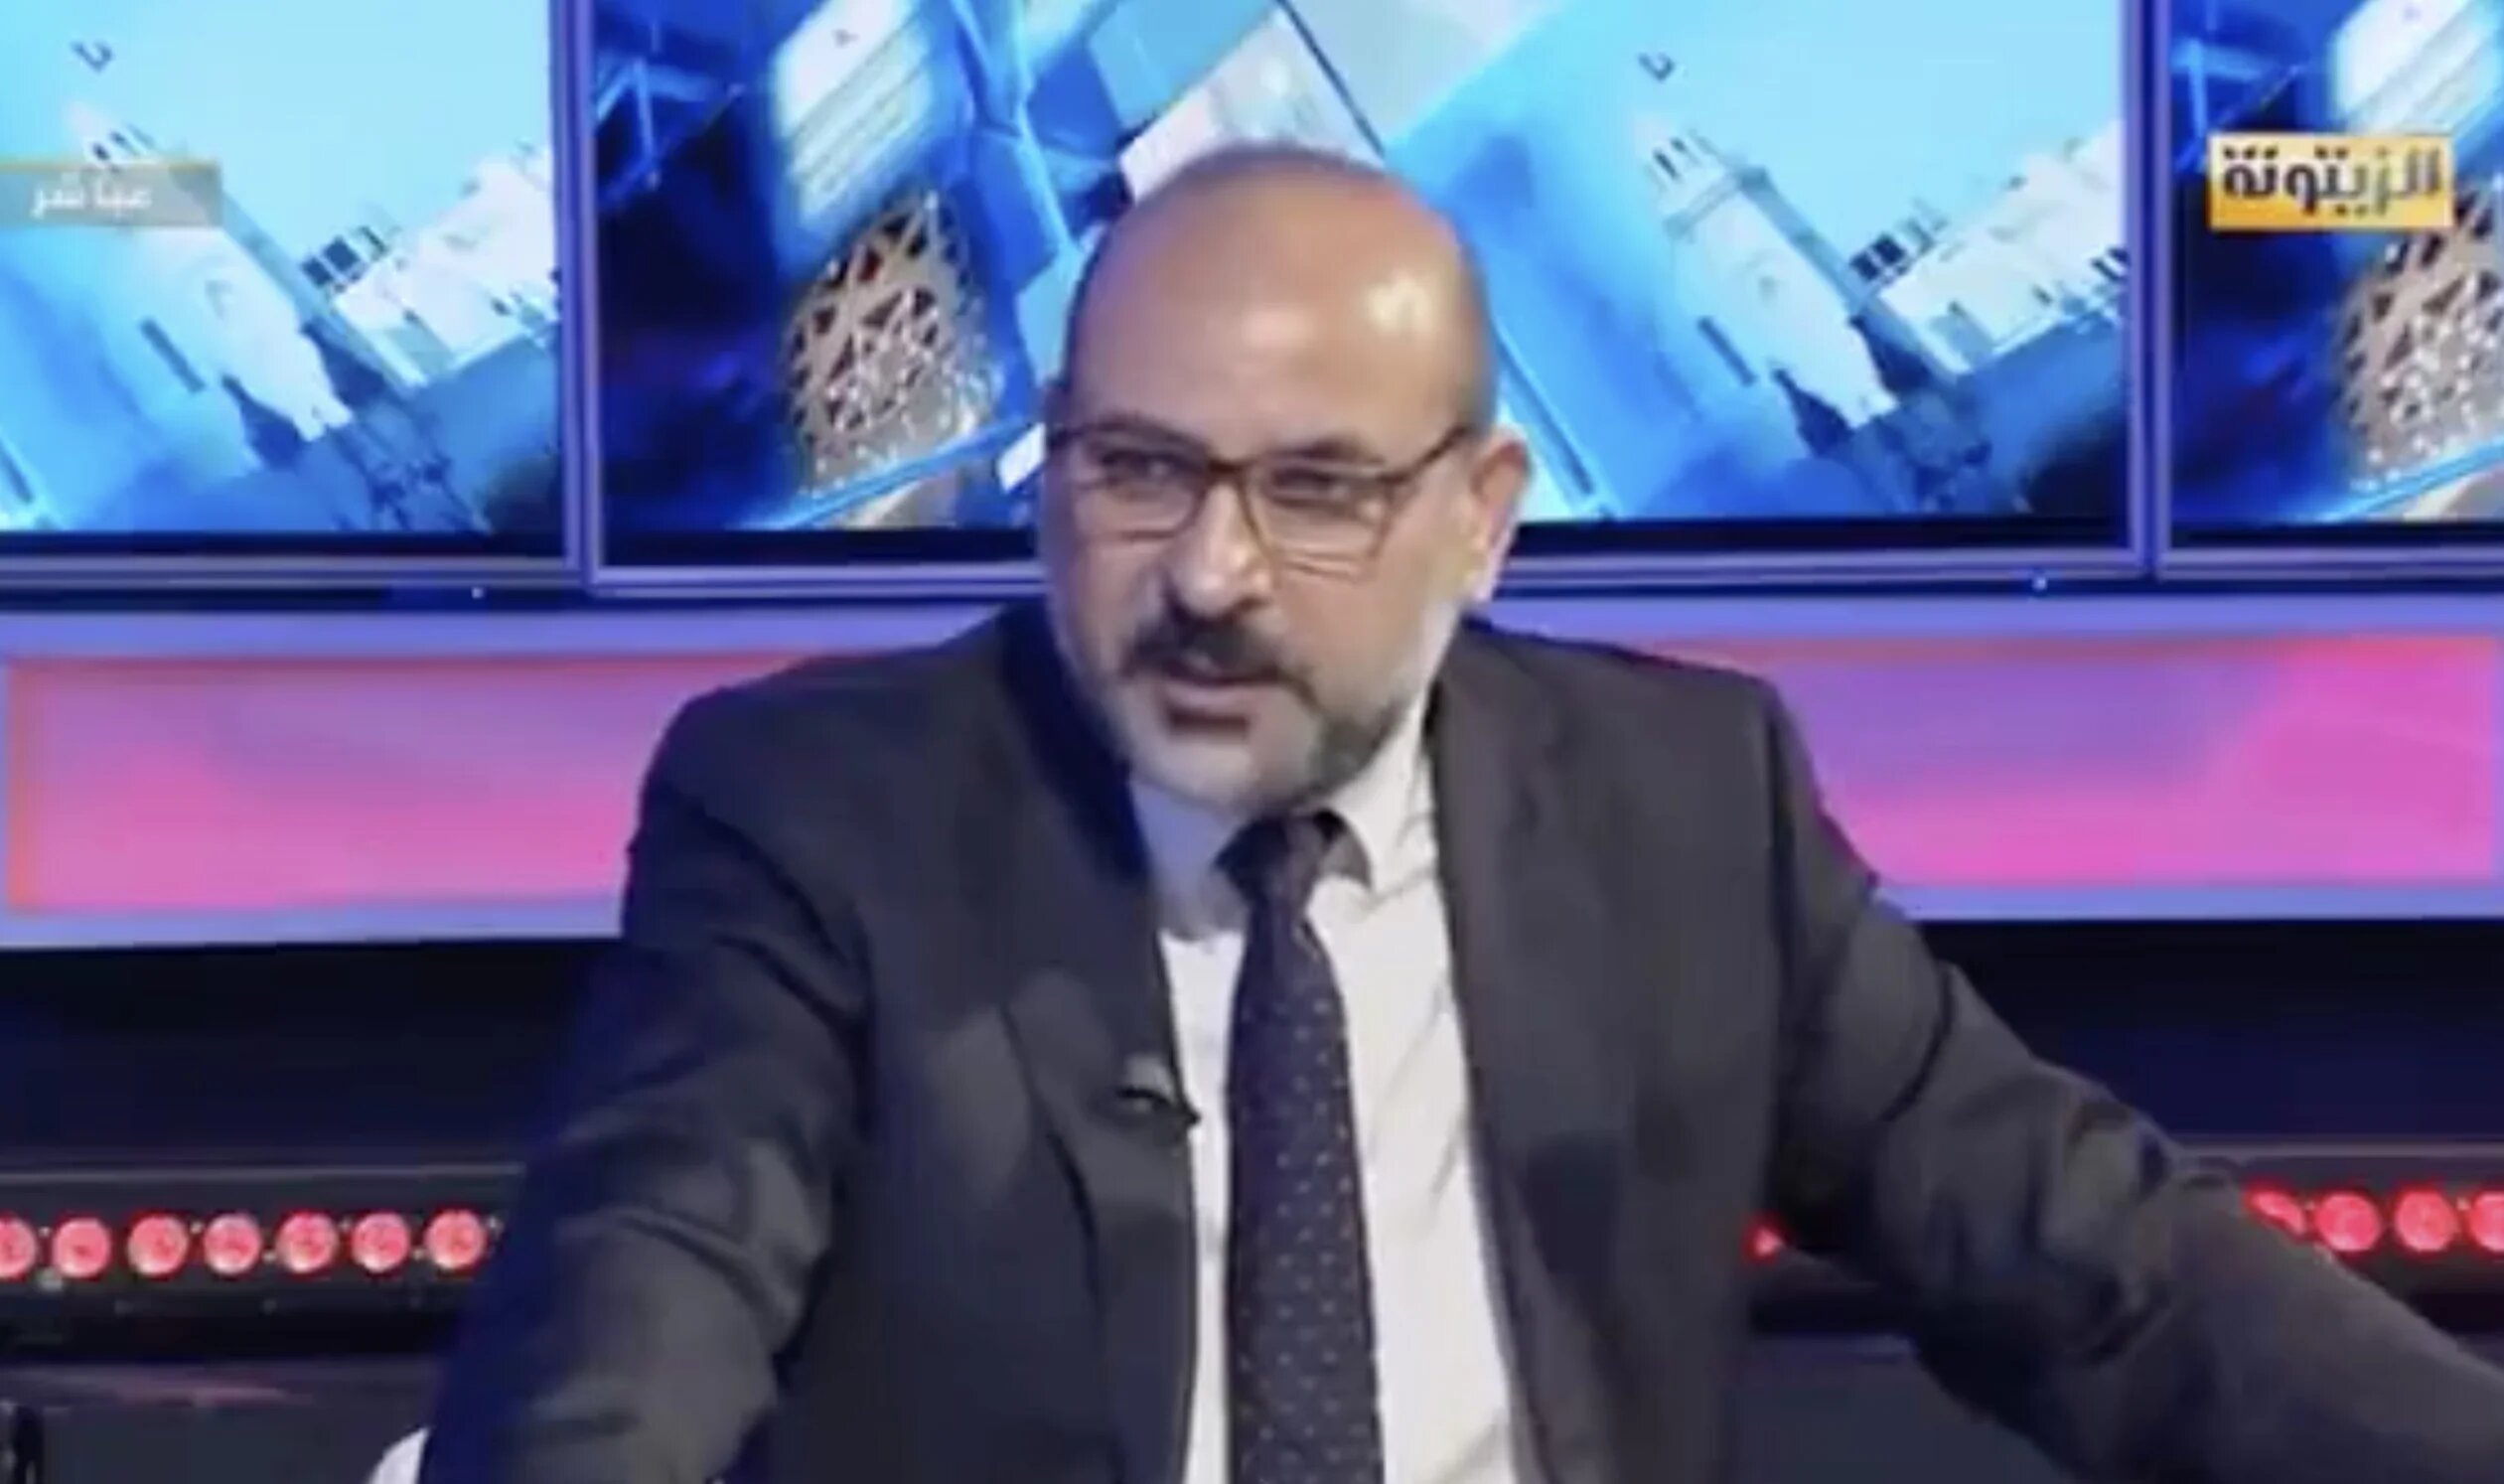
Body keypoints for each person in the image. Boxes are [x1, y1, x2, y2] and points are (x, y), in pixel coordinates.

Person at [420, 145, 2504, 1483]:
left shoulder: (1686, 808)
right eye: (1137, 470)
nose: (1210, 573)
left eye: (1314, 489)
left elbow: (2104, 1269)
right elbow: (639, 1300)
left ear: (1483, 517)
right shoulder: (817, 815)